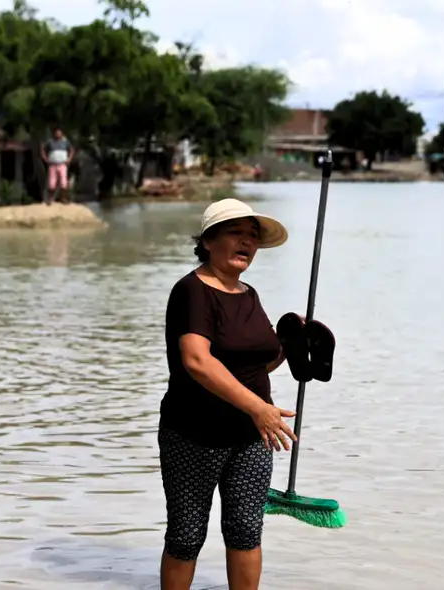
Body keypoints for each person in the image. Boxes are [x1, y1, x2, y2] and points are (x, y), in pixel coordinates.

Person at [158, 198, 297, 590]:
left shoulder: (249, 294)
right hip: (194, 433)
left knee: (246, 530)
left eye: (252, 237)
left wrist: (294, 346)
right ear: (208, 240)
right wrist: (258, 407)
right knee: (186, 535)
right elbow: (197, 361)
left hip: (252, 436)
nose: (247, 243)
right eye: (236, 233)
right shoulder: (192, 291)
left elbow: (258, 364)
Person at [40, 126, 74, 204]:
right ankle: (50, 199)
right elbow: (43, 150)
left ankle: (63, 198)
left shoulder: (65, 142)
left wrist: (69, 159)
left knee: (63, 183)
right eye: (56, 132)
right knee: (52, 184)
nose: (58, 134)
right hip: (53, 165)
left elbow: (71, 150)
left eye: (59, 132)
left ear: (62, 133)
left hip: (62, 164)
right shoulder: (50, 142)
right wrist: (45, 159)